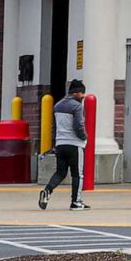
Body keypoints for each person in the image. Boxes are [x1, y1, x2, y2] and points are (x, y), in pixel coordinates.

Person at [40, 80, 89, 210]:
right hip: (74, 144)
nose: (83, 96)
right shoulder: (77, 106)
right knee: (77, 174)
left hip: (60, 144)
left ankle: (47, 191)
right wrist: (84, 137)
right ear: (75, 93)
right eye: (82, 93)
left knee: (60, 172)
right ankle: (76, 202)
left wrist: (55, 143)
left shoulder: (57, 105)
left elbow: (54, 127)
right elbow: (79, 125)